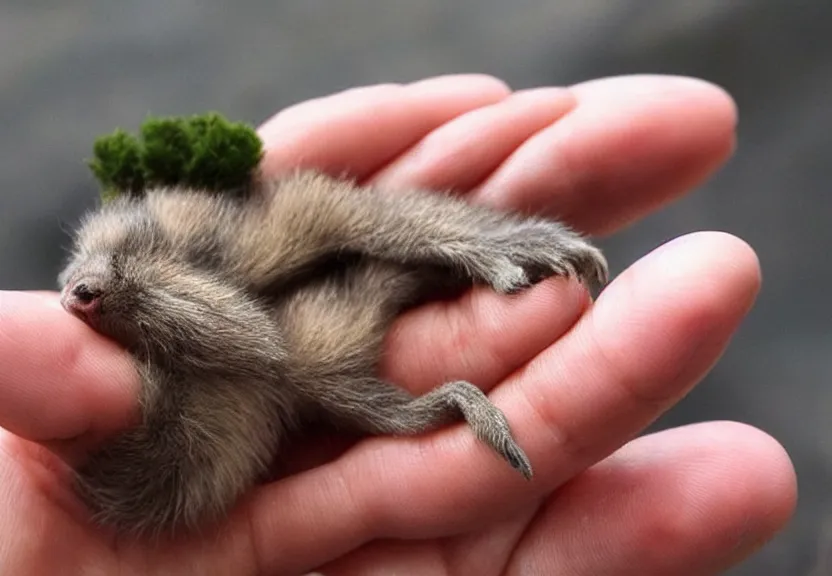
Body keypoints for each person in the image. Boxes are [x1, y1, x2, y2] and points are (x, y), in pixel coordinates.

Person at [0, 74, 795, 575]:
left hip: (248, 364)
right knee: (304, 356)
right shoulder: (210, 370)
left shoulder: (264, 224)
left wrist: (488, 246)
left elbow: (371, 225)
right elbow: (259, 352)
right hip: (201, 430)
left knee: (340, 287)